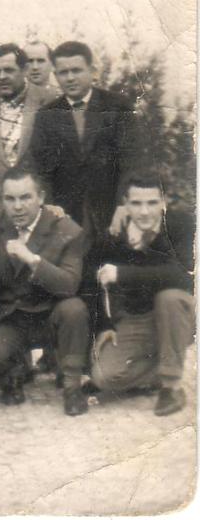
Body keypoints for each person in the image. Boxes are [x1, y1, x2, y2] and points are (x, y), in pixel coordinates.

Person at [0, 168, 91, 416]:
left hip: (49, 315)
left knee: (74, 309)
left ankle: (72, 387)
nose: (18, 206)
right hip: (10, 317)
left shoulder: (67, 229)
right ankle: (13, 375)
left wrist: (33, 260)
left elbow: (69, 284)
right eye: (10, 199)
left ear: (41, 197)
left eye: (25, 197)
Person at [90, 171, 195, 416]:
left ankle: (170, 387)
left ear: (163, 202)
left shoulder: (181, 225)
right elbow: (93, 281)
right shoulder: (116, 234)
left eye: (152, 203)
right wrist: (104, 325)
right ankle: (162, 367)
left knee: (169, 297)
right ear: (125, 204)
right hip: (137, 319)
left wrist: (123, 272)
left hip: (176, 314)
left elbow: (183, 275)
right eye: (136, 203)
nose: (145, 211)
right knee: (103, 377)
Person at [30, 41, 148, 247]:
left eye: (76, 70)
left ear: (91, 71)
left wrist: (124, 204)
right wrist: (50, 208)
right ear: (55, 75)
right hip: (66, 216)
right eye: (63, 72)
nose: (70, 78)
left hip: (114, 211)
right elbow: (41, 171)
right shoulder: (46, 116)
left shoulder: (118, 107)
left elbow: (133, 161)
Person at [0, 43, 54, 213]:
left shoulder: (49, 101)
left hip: (39, 204)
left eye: (9, 70)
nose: (2, 76)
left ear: (24, 70)